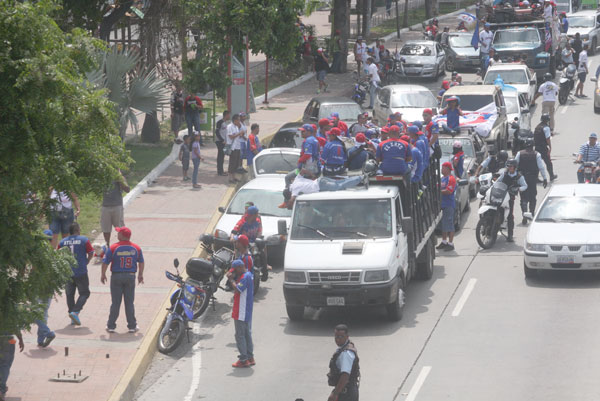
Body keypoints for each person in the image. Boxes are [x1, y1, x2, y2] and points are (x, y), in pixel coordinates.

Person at [101, 226, 144, 333]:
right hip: (130, 276)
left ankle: (111, 325)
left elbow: (105, 262)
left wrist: (103, 274)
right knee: (129, 302)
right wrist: (140, 274)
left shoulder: (113, 247)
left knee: (115, 302)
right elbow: (141, 262)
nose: (117, 234)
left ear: (123, 235)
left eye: (118, 233)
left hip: (116, 276)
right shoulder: (136, 248)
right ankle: (132, 326)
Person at [59, 222, 94, 325]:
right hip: (80, 271)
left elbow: (58, 255)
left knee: (70, 294)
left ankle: (71, 315)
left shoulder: (62, 242)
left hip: (67, 271)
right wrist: (87, 261)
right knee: (84, 293)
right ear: (78, 230)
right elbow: (91, 252)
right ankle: (75, 312)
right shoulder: (84, 240)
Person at [227, 259, 254, 368]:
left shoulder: (244, 277)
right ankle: (250, 357)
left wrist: (231, 280)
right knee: (247, 334)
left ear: (239, 268)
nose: (234, 273)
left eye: (235, 270)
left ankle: (243, 359)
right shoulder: (249, 275)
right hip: (246, 310)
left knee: (239, 335)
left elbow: (238, 289)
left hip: (241, 311)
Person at [516, 139, 548, 224]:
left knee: (523, 198)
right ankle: (531, 214)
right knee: (532, 197)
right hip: (532, 178)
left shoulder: (520, 153)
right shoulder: (537, 154)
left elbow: (515, 165)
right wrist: (544, 178)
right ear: (533, 145)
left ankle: (524, 215)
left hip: (521, 178)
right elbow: (541, 167)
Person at [497, 159, 528, 242]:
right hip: (501, 195)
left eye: (511, 166)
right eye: (508, 166)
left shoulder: (519, 176)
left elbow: (525, 186)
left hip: (510, 197)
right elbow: (497, 181)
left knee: (510, 215)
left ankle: (510, 235)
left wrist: (518, 189)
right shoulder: (504, 174)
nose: (509, 168)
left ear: (515, 167)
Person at [35, 229, 56, 347]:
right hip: (49, 285)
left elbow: (34, 269)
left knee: (35, 312)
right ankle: (40, 340)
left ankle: (48, 333)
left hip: (38, 284)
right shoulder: (53, 253)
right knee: (43, 312)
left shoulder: (38, 254)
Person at [327, 324, 360, 401]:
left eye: (341, 337)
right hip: (347, 390)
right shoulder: (346, 347)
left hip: (346, 393)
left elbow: (345, 376)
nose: (338, 339)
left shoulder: (346, 354)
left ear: (347, 336)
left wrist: (335, 394)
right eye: (336, 336)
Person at [101, 172, 130, 246]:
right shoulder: (103, 177)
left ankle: (123, 244)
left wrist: (120, 179)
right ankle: (107, 246)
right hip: (105, 206)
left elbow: (127, 189)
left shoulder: (120, 178)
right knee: (106, 228)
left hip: (117, 206)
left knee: (121, 228)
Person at [0, 329, 24, 401]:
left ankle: (2, 387)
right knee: (5, 364)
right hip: (8, 340)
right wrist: (21, 340)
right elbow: (15, 326)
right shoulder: (9, 317)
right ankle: (1, 388)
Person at [438, 162, 457, 251]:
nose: (441, 169)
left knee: (449, 224)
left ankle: (450, 243)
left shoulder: (451, 179)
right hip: (442, 205)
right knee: (443, 224)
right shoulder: (442, 179)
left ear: (447, 169)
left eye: (443, 168)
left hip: (449, 204)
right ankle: (444, 241)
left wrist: (438, 191)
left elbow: (449, 191)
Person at [533, 114, 557, 181]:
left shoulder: (537, 127)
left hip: (537, 148)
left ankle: (536, 178)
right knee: (548, 162)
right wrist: (550, 147)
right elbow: (548, 139)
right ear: (547, 120)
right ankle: (551, 176)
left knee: (537, 163)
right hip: (543, 148)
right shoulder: (546, 128)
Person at [227, 114, 245, 183]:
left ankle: (234, 177)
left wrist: (241, 134)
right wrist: (239, 133)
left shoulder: (236, 127)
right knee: (232, 162)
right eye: (238, 120)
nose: (239, 122)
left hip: (238, 146)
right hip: (233, 147)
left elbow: (237, 136)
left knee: (236, 163)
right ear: (235, 120)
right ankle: (230, 178)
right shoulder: (230, 127)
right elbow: (231, 136)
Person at [215, 110, 230, 176]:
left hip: (223, 142)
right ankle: (220, 171)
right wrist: (222, 140)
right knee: (220, 156)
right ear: (226, 115)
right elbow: (217, 132)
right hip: (219, 142)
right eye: (229, 115)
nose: (229, 116)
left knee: (222, 156)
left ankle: (221, 170)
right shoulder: (220, 122)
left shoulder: (225, 123)